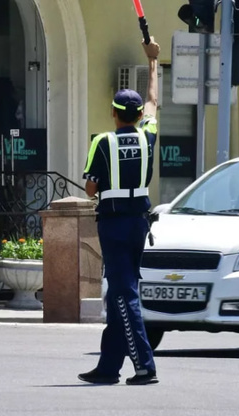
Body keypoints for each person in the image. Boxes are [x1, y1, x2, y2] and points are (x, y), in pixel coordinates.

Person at [77, 35, 161, 386]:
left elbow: (91, 187)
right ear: (139, 114)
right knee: (118, 293)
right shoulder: (147, 135)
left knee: (124, 292)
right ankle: (108, 367)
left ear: (113, 113)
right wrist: (153, 60)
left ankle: (145, 364)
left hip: (112, 224)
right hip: (139, 224)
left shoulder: (102, 141)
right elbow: (155, 101)